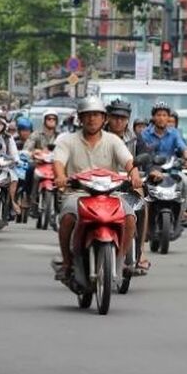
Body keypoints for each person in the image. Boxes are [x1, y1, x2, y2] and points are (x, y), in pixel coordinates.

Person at [52, 97, 143, 279]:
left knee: (130, 217)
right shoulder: (67, 141)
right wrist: (61, 177)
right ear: (80, 118)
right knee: (68, 218)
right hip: (78, 194)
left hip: (110, 193)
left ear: (104, 119)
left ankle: (121, 259)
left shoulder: (113, 141)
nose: (92, 119)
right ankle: (67, 262)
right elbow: (58, 162)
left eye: (96, 115)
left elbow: (127, 160)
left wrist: (134, 175)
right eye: (87, 115)